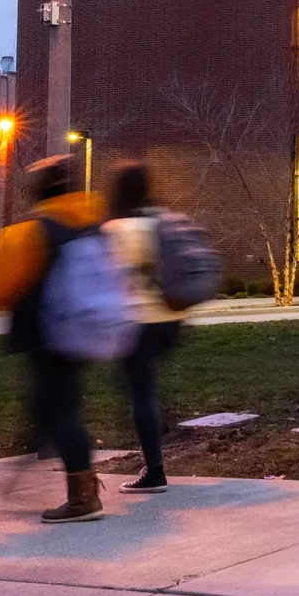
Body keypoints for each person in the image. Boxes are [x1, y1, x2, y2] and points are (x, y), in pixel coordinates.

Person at [0, 153, 110, 522]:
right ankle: (37, 450)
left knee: (61, 412)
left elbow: (0, 285)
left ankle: (83, 497)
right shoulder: (90, 223)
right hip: (83, 329)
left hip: (46, 336)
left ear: (36, 191)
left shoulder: (33, 230)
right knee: (56, 406)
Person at [103, 161, 183, 494]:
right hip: (172, 319)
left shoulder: (115, 230)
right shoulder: (161, 222)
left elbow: (108, 278)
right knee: (139, 388)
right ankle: (157, 420)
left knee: (139, 392)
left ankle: (155, 471)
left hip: (138, 322)